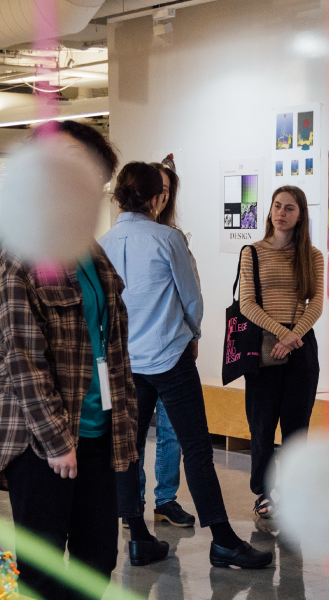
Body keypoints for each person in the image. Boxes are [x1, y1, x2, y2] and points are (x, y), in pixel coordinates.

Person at [0, 121, 136, 600]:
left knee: (97, 562)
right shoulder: (21, 255)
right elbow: (21, 360)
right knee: (44, 569)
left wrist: (122, 432)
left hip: (100, 432)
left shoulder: (92, 252)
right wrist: (56, 442)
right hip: (41, 442)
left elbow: (110, 347)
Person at [99, 162, 273, 570]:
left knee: (128, 450)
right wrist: (193, 334)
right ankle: (223, 541)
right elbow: (191, 298)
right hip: (170, 357)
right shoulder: (168, 239)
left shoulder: (103, 243)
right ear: (156, 197)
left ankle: (138, 538)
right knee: (196, 448)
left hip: (126, 361)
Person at [235, 185, 324, 521]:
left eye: (289, 208)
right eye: (277, 206)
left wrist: (294, 335)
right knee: (262, 425)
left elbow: (315, 303)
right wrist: (281, 334)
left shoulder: (312, 256)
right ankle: (264, 492)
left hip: (300, 349)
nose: (281, 213)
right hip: (264, 346)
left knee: (296, 427)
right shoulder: (253, 252)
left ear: (300, 214)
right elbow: (246, 303)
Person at [136, 163, 193, 528]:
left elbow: (190, 292)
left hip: (172, 347)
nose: (165, 196)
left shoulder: (174, 237)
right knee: (135, 432)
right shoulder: (129, 237)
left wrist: (193, 335)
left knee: (172, 430)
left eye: (170, 189)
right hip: (136, 351)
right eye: (161, 189)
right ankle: (132, 501)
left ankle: (165, 500)